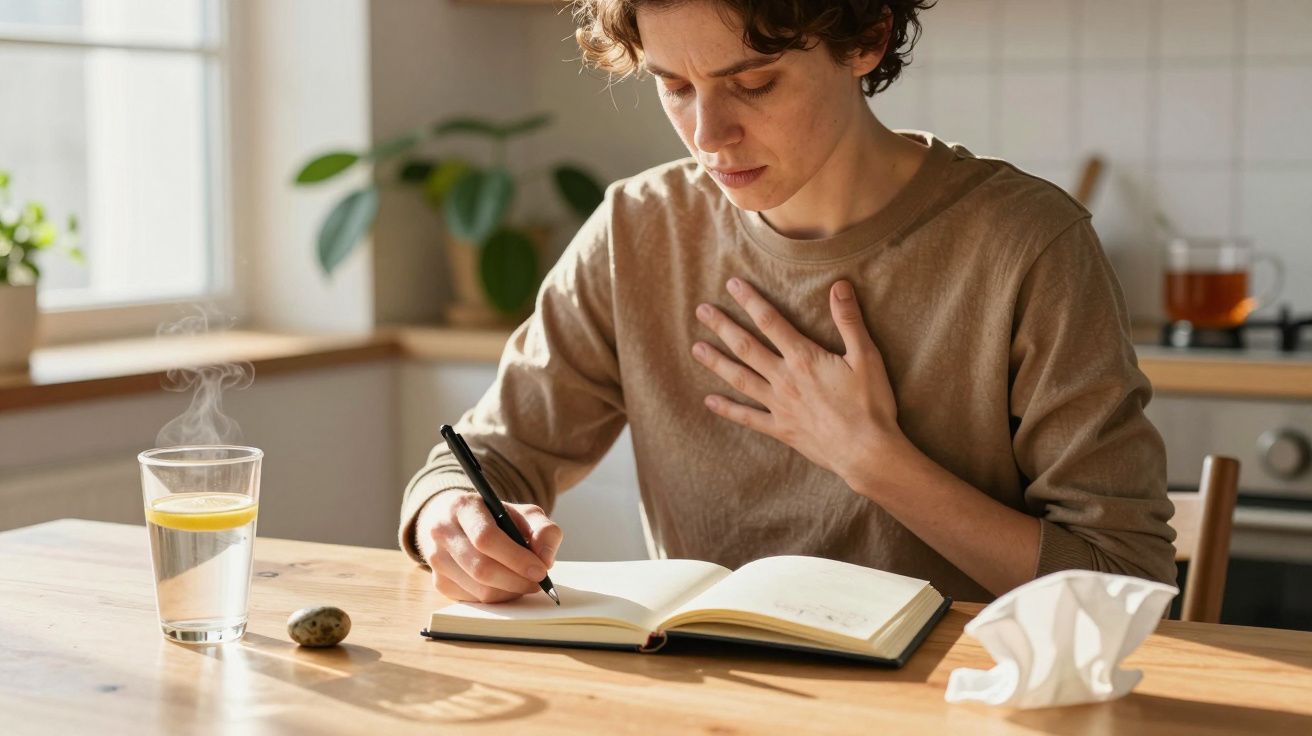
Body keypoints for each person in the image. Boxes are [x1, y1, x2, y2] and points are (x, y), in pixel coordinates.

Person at [398, 0, 1177, 605]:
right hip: (712, 702)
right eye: (674, 86)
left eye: (753, 84)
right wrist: (452, 517)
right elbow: (486, 456)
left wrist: (873, 460)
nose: (709, 135)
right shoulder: (638, 230)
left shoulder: (1025, 243)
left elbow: (1126, 582)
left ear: (866, 38)